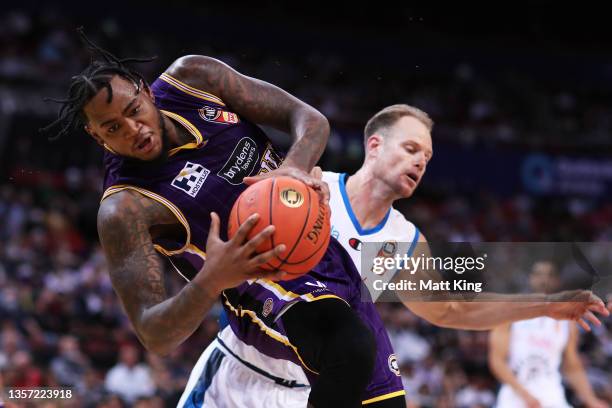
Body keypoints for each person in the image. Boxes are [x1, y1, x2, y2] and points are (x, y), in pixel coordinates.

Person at [179, 104, 611, 407]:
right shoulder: (309, 187)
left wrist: (547, 304)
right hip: (237, 372)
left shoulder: (401, 241)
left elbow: (452, 310)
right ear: (374, 145)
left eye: (426, 157)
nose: (420, 162)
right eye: (410, 149)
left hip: (310, 395)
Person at [489, 261, 608, 408]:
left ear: (557, 281)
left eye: (549, 275)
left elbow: (572, 367)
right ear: (530, 278)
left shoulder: (568, 321)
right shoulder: (510, 313)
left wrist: (592, 400)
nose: (544, 279)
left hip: (552, 397)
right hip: (515, 398)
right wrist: (525, 395)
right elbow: (497, 361)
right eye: (539, 274)